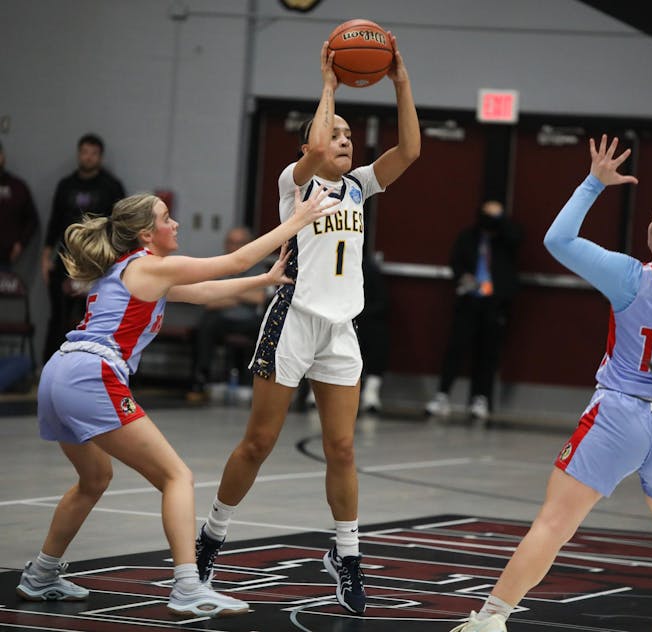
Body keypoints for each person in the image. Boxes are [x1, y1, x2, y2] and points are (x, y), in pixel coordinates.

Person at [448, 136, 652, 632]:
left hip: (619, 416)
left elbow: (558, 240)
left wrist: (592, 183)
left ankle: (492, 619)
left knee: (554, 524)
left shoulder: (631, 277)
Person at [16, 187, 337, 617]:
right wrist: (297, 222)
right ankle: (187, 586)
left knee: (94, 479)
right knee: (176, 477)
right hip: (91, 375)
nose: (175, 224)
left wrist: (263, 280)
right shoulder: (152, 266)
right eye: (167, 218)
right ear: (147, 235)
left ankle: (40, 574)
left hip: (60, 371)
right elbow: (233, 261)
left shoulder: (132, 270)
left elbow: (205, 292)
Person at [195, 36, 420, 616]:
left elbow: (412, 151)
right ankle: (210, 540)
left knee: (342, 448)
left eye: (349, 137)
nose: (343, 143)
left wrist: (399, 82)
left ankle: (345, 554)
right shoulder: (295, 184)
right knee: (259, 443)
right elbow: (317, 145)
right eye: (335, 135)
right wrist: (329, 84)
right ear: (311, 147)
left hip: (340, 331)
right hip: (292, 320)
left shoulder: (359, 187)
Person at [425, 199, 523, 421]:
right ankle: (442, 395)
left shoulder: (505, 239)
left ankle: (481, 398)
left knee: (488, 352)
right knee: (456, 348)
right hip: (469, 299)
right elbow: (456, 263)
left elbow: (516, 238)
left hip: (495, 302)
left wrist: (501, 218)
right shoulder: (468, 237)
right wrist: (463, 278)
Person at [41, 133, 126, 362]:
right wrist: (46, 255)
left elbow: (119, 227)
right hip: (66, 259)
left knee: (91, 316)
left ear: (100, 157)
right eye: (84, 152)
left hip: (97, 261)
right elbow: (55, 221)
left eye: (93, 153)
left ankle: (86, 364)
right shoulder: (66, 185)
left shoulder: (111, 187)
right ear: (79, 154)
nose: (88, 158)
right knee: (59, 315)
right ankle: (50, 364)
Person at [187, 226, 268, 400]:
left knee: (266, 329)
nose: (235, 246)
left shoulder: (258, 267)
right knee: (204, 325)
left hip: (250, 320)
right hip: (221, 318)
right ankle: (200, 381)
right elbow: (208, 302)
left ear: (249, 244)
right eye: (231, 242)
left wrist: (226, 292)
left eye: (240, 243)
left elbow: (260, 298)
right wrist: (243, 292)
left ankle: (255, 384)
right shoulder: (217, 265)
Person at [357, 252, 390, 413]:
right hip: (336, 319)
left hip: (363, 318)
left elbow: (382, 302)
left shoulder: (369, 269)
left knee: (378, 336)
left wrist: (358, 313)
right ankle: (316, 392)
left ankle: (371, 391)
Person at [0, 141, 40, 270]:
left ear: (2, 157)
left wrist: (20, 244)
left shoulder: (17, 187)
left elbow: (32, 219)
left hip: (4, 259)